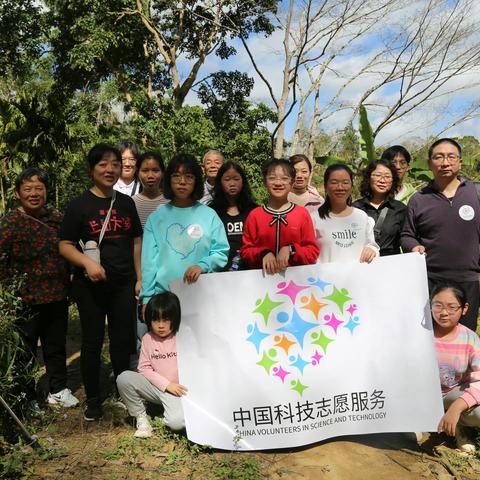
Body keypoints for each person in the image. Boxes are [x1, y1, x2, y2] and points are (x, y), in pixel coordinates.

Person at [59, 143, 143, 421]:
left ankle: (123, 392)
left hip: (122, 284)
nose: (110, 169)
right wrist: (87, 263)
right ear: (92, 169)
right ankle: (93, 399)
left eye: (115, 164)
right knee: (92, 341)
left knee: (122, 341)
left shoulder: (126, 202)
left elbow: (136, 242)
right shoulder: (78, 205)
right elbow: (65, 244)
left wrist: (139, 277)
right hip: (90, 287)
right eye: (103, 164)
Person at [0, 168, 79, 409]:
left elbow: (69, 250)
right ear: (17, 193)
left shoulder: (57, 219)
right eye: (28, 189)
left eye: (39, 189)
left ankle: (58, 389)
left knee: (55, 345)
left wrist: (71, 283)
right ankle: (26, 396)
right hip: (24, 299)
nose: (34, 194)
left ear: (46, 191)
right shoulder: (9, 222)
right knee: (25, 350)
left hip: (56, 294)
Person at [401, 138, 480, 332]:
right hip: (431, 280)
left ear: (460, 161)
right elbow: (406, 234)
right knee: (432, 338)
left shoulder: (476, 192)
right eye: (439, 157)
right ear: (429, 163)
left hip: (469, 279)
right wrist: (413, 246)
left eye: (451, 157)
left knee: (464, 338)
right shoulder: (419, 199)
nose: (445, 162)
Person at [140, 153, 229, 305]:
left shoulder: (209, 215)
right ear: (168, 180)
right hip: (164, 299)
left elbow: (221, 252)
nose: (182, 182)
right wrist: (147, 298)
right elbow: (149, 263)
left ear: (196, 181)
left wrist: (203, 266)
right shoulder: (156, 218)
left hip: (202, 297)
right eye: (176, 176)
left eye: (189, 176)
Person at [117, 292, 186, 438]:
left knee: (177, 423)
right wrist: (166, 385)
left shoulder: (183, 336)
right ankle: (142, 419)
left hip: (179, 391)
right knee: (123, 378)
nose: (161, 326)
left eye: (166, 320)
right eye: (156, 320)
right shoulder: (147, 338)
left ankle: (161, 417)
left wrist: (174, 387)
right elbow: (144, 369)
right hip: (158, 388)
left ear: (175, 318)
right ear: (149, 320)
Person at [240, 158, 319, 273]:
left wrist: (291, 249)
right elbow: (245, 251)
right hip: (261, 282)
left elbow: (312, 252)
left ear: (292, 183)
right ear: (264, 182)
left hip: (294, 282)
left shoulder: (302, 214)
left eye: (284, 178)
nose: (278, 183)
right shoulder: (255, 215)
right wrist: (262, 253)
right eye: (272, 178)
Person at [431, 283, 480, 453]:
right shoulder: (421, 336)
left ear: (464, 308)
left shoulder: (470, 338)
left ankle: (459, 424)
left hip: (452, 394)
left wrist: (456, 407)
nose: (443, 313)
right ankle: (419, 421)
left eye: (451, 307)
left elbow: (479, 378)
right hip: (420, 396)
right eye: (437, 306)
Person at [311, 163, 379, 264]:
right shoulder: (314, 218)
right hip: (326, 278)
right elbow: (309, 253)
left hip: (357, 277)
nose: (340, 187)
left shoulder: (361, 216)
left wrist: (372, 249)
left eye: (345, 182)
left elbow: (372, 245)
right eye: (334, 182)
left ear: (351, 186)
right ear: (325, 186)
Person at [209, 161, 257, 270]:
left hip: (250, 272)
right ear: (220, 182)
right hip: (219, 273)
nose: (232, 183)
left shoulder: (254, 211)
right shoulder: (211, 212)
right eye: (227, 179)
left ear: (243, 181)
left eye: (236, 179)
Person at [353, 159, 406, 256]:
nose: (382, 180)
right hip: (363, 264)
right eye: (377, 175)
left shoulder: (400, 209)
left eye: (387, 177)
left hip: (391, 265)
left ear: (393, 180)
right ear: (368, 178)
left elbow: (406, 239)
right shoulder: (355, 208)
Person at [132, 151, 168, 228]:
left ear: (163, 173)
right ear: (137, 173)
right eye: (145, 171)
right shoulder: (131, 203)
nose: (150, 175)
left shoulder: (171, 203)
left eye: (155, 170)